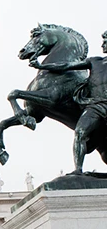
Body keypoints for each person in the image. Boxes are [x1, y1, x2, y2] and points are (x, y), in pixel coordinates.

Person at [31, 31, 107, 174]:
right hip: (95, 106)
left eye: (105, 41)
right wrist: (42, 67)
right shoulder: (94, 61)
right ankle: (78, 170)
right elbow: (66, 65)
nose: (102, 44)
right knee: (80, 132)